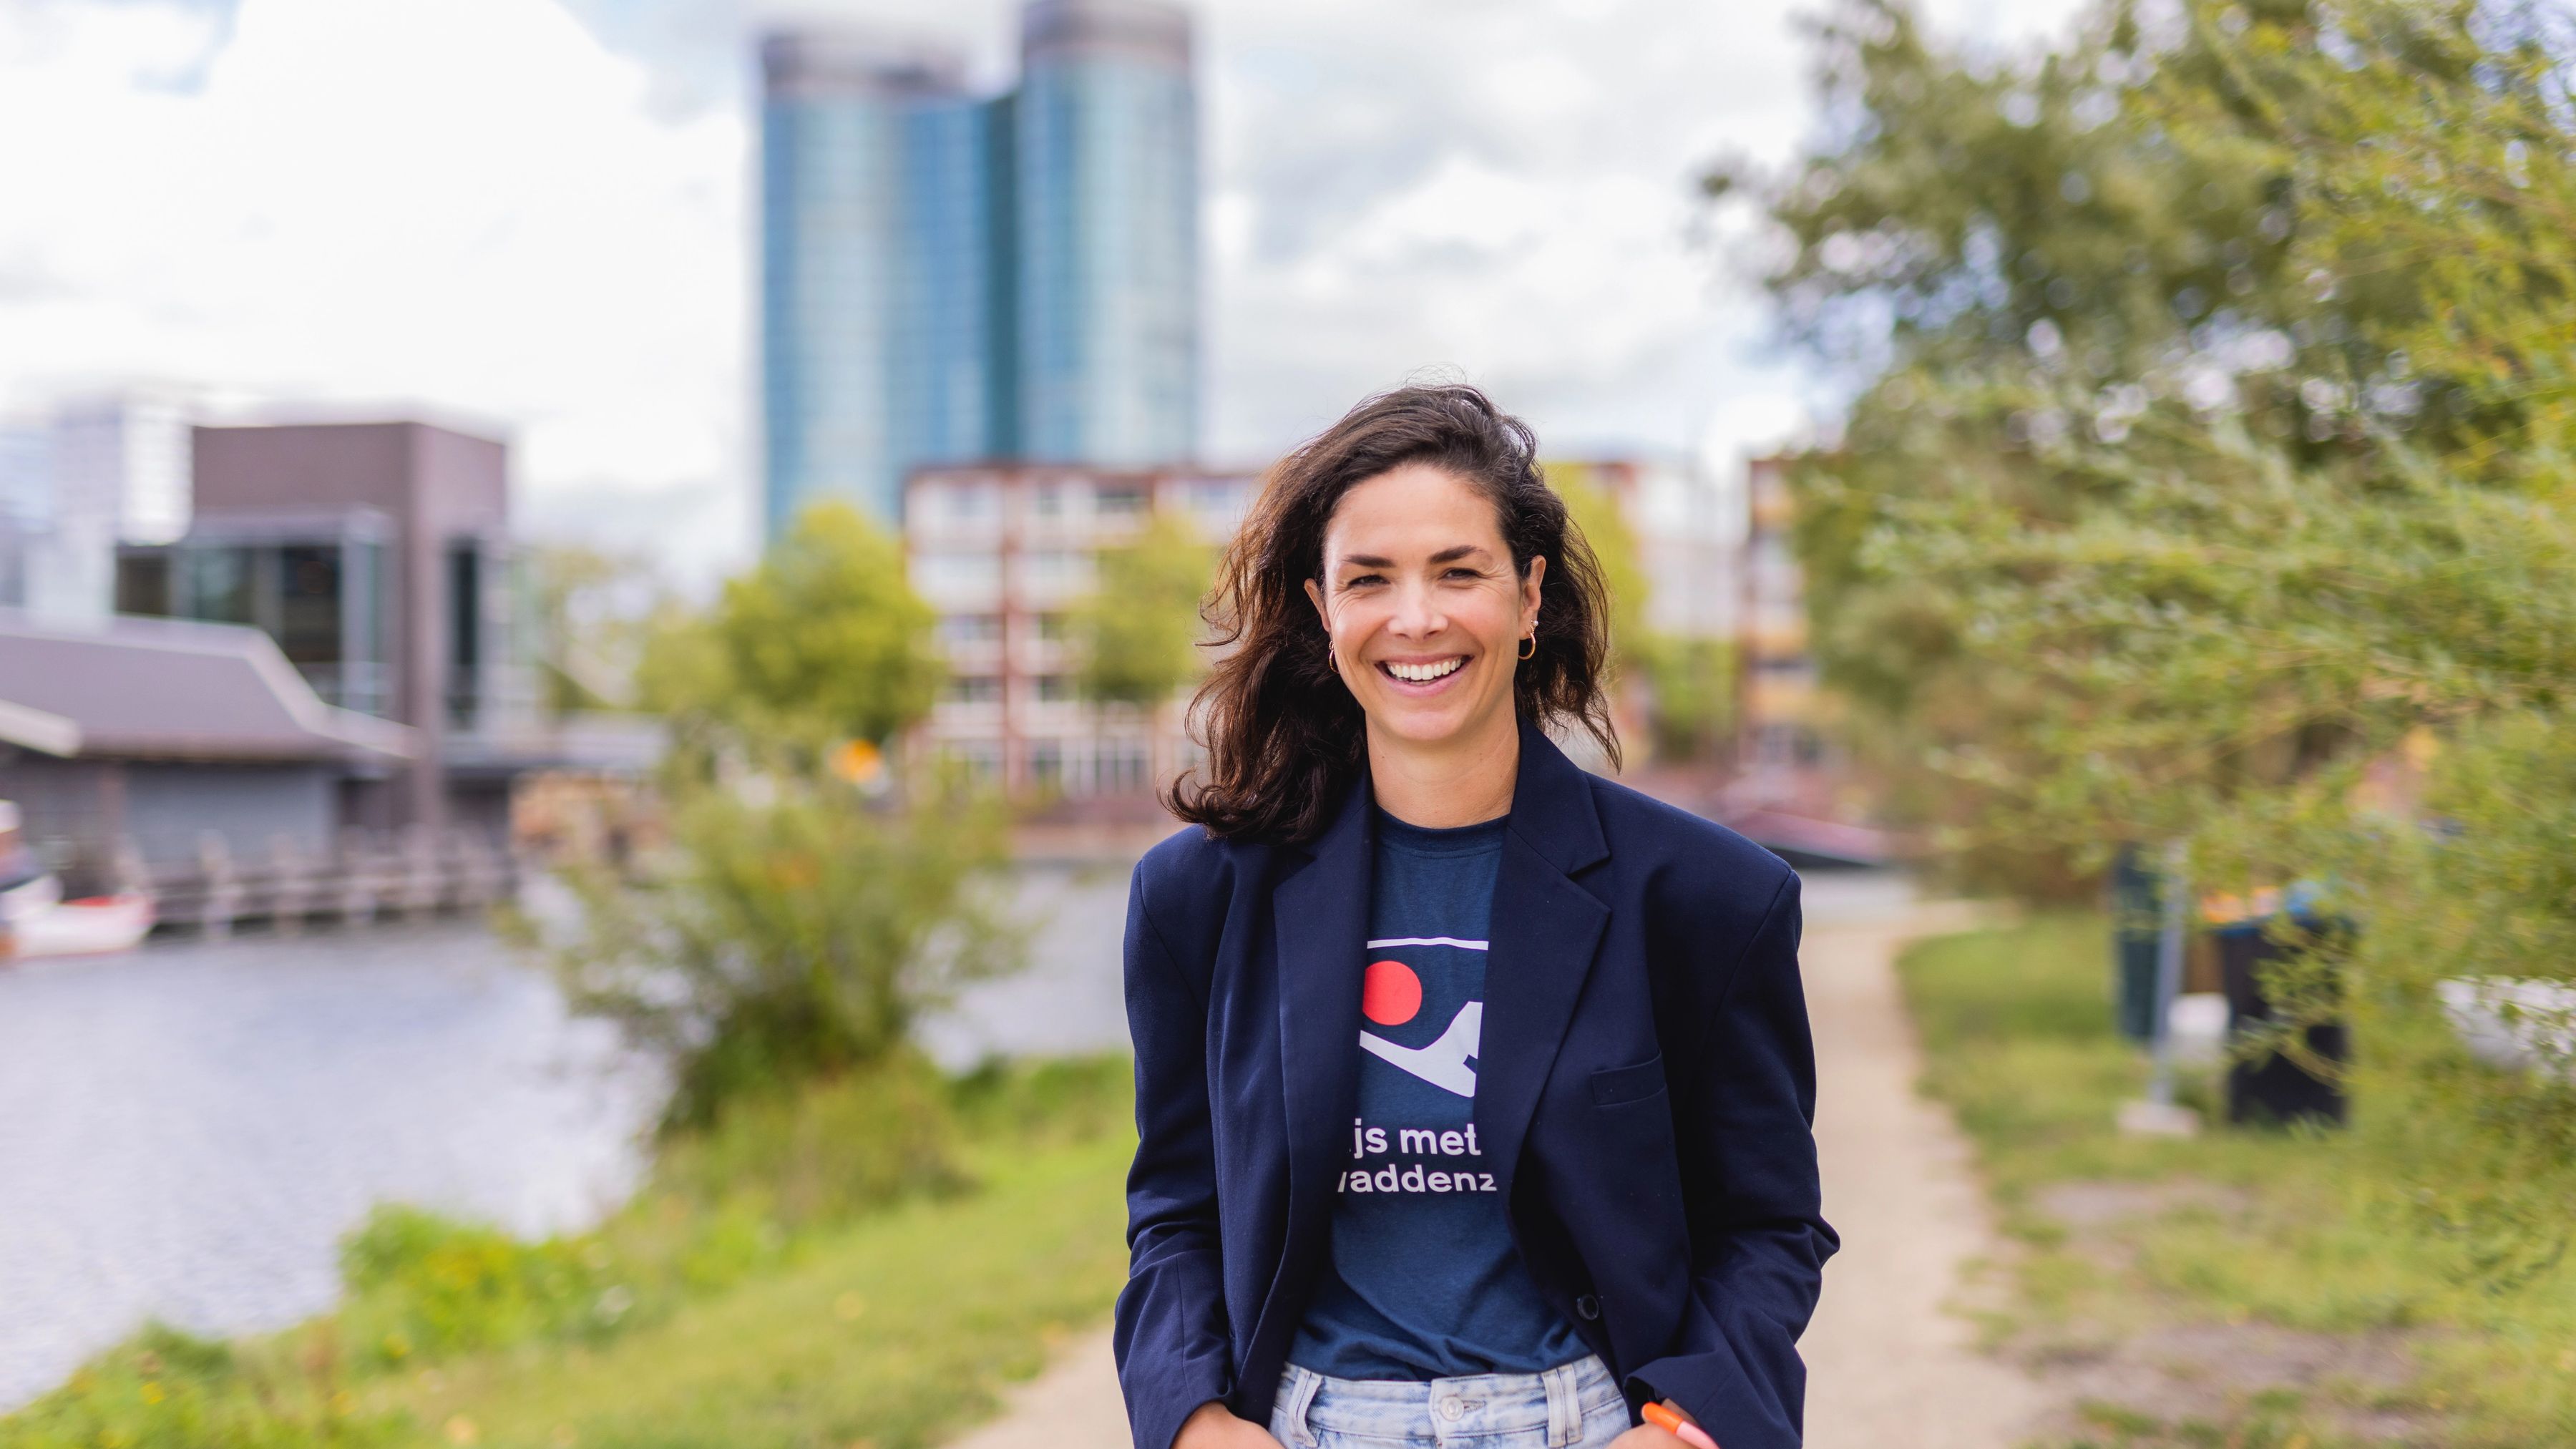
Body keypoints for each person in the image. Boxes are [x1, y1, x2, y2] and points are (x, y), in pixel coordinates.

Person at [1113, 385, 1835, 1449]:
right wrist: (1193, 1417)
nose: (1416, 618)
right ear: (1323, 609)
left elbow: (1769, 1224)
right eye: (1370, 579)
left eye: (1458, 571)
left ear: (1530, 595)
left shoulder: (1708, 897)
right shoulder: (1199, 900)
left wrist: (1690, 1426)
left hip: (1593, 1423)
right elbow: (1177, 1211)